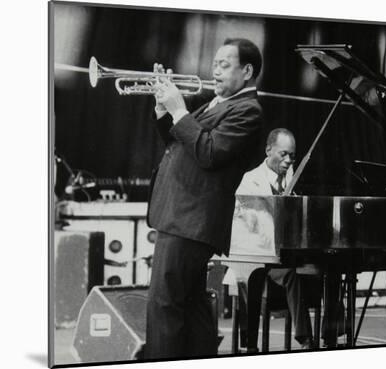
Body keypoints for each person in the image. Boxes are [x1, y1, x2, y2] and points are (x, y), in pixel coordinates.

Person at [145, 38, 264, 359]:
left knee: (164, 306)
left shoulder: (247, 111)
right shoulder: (217, 103)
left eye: (225, 65)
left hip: (191, 220)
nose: (215, 71)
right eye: (214, 64)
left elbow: (208, 152)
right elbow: (179, 143)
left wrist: (179, 108)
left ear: (247, 71)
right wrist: (162, 108)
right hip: (184, 217)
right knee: (193, 307)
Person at [235, 128, 315, 349]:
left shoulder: (291, 180)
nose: (289, 160)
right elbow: (244, 220)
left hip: (284, 253)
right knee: (290, 274)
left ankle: (333, 330)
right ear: (269, 150)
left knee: (327, 266)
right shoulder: (251, 180)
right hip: (257, 256)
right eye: (284, 154)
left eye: (292, 155)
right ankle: (305, 339)